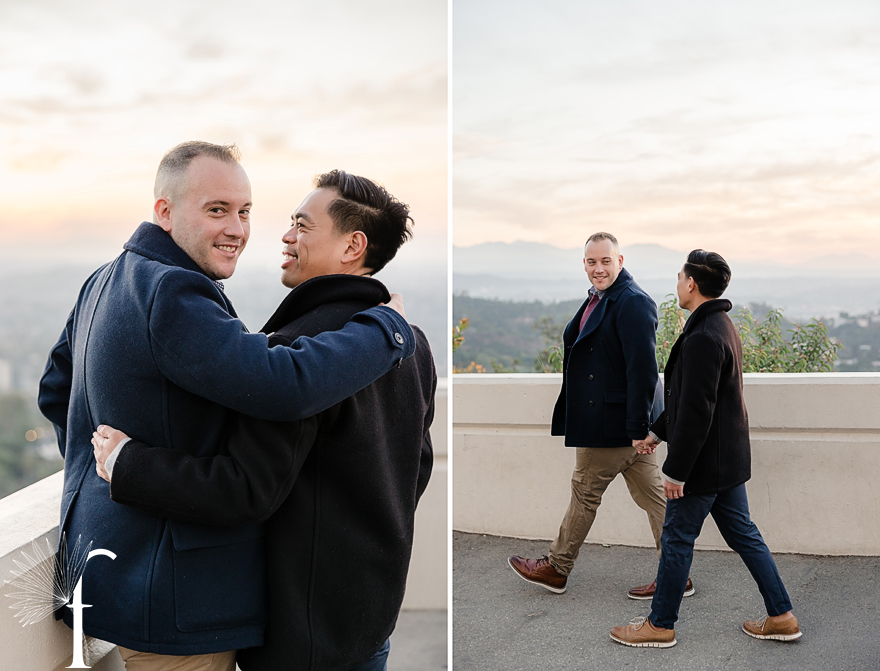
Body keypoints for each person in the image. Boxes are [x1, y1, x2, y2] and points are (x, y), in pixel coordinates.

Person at [38, 143, 415, 671]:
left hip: (130, 580)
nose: (238, 228)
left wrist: (101, 470)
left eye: (244, 212)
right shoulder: (175, 290)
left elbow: (56, 389)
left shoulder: (104, 279)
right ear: (164, 211)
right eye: (217, 210)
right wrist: (390, 328)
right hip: (176, 596)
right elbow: (281, 387)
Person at [610, 250, 800, 648]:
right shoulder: (722, 325)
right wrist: (656, 433)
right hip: (726, 460)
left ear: (692, 284)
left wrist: (675, 471)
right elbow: (686, 397)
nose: (677, 283)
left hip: (701, 465)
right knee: (745, 535)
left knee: (677, 538)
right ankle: (782, 616)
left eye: (680, 277)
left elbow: (697, 411)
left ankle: (660, 625)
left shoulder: (702, 337)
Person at [508, 232, 694, 600]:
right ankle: (677, 575)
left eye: (606, 261)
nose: (598, 268)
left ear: (620, 261)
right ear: (584, 264)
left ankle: (557, 568)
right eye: (592, 262)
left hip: (614, 424)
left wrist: (638, 427)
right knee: (654, 497)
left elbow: (642, 370)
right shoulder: (602, 297)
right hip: (621, 421)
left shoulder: (633, 302)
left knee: (584, 492)